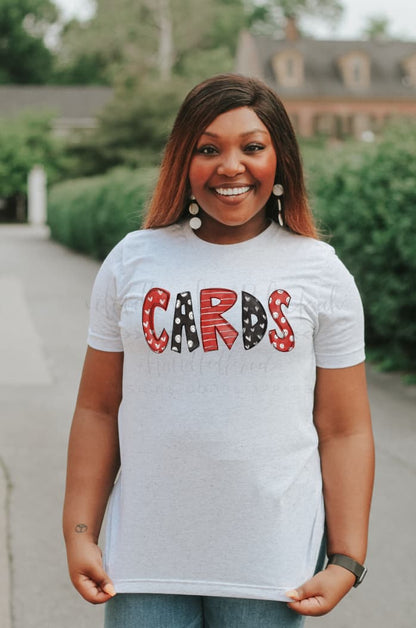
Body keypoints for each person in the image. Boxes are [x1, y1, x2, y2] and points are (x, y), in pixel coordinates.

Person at [63, 74, 375, 628]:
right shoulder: (133, 261)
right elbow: (98, 408)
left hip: (271, 569)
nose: (231, 167)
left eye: (252, 147)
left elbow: (344, 429)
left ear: (280, 160)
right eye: (208, 149)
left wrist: (347, 558)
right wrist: (80, 531)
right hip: (146, 565)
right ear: (183, 160)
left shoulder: (319, 271)